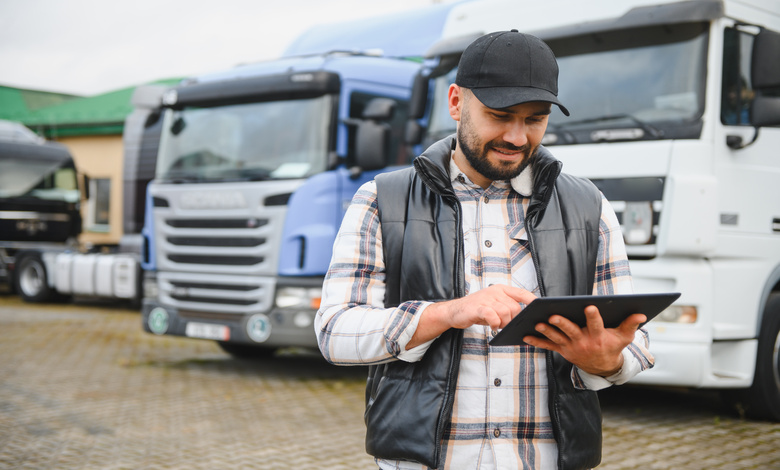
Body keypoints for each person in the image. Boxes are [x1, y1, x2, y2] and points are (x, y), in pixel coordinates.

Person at [315, 30, 654, 470]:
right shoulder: (382, 198)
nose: (517, 136)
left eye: (535, 118)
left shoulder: (590, 206)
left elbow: (637, 343)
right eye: (500, 114)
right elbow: (334, 331)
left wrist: (607, 362)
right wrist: (445, 314)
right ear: (456, 102)